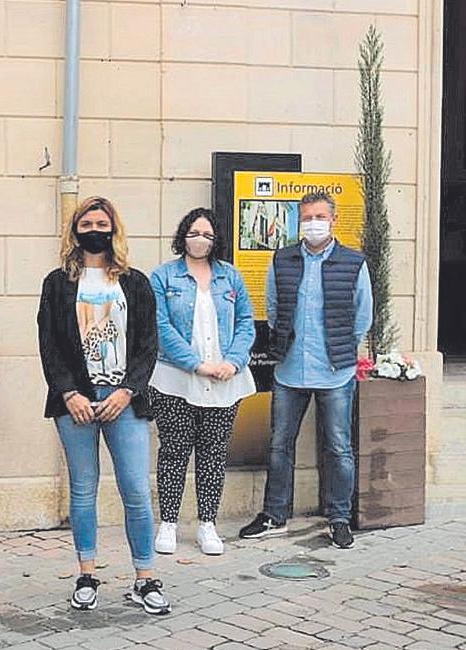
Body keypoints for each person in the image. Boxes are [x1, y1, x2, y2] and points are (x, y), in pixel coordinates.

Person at [37, 195, 170, 616]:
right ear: (75, 230)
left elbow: (149, 345)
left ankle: (146, 578)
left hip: (123, 400)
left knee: (135, 490)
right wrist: (69, 393)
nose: (95, 229)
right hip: (74, 402)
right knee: (82, 490)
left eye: (102, 222)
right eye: (87, 223)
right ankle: (87, 574)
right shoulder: (57, 283)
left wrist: (127, 390)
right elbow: (49, 346)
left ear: (114, 229)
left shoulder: (135, 282)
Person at [238, 191, 373, 549]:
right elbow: (272, 304)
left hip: (335, 372)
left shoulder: (353, 262)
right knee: (280, 446)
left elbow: (363, 316)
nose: (313, 223)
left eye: (320, 217)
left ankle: (339, 518)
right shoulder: (282, 259)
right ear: (300, 221)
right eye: (307, 217)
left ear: (333, 220)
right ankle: (274, 514)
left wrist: (343, 347)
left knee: (339, 448)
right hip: (289, 370)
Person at [148, 208, 256, 557]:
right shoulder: (163, 277)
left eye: (207, 235)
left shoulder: (231, 278)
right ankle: (168, 523)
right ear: (183, 236)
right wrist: (196, 364)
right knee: (174, 451)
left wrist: (232, 362)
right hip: (175, 379)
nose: (200, 240)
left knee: (213, 453)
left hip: (226, 381)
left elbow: (245, 324)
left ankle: (207, 524)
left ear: (216, 240)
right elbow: (160, 327)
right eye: (194, 233)